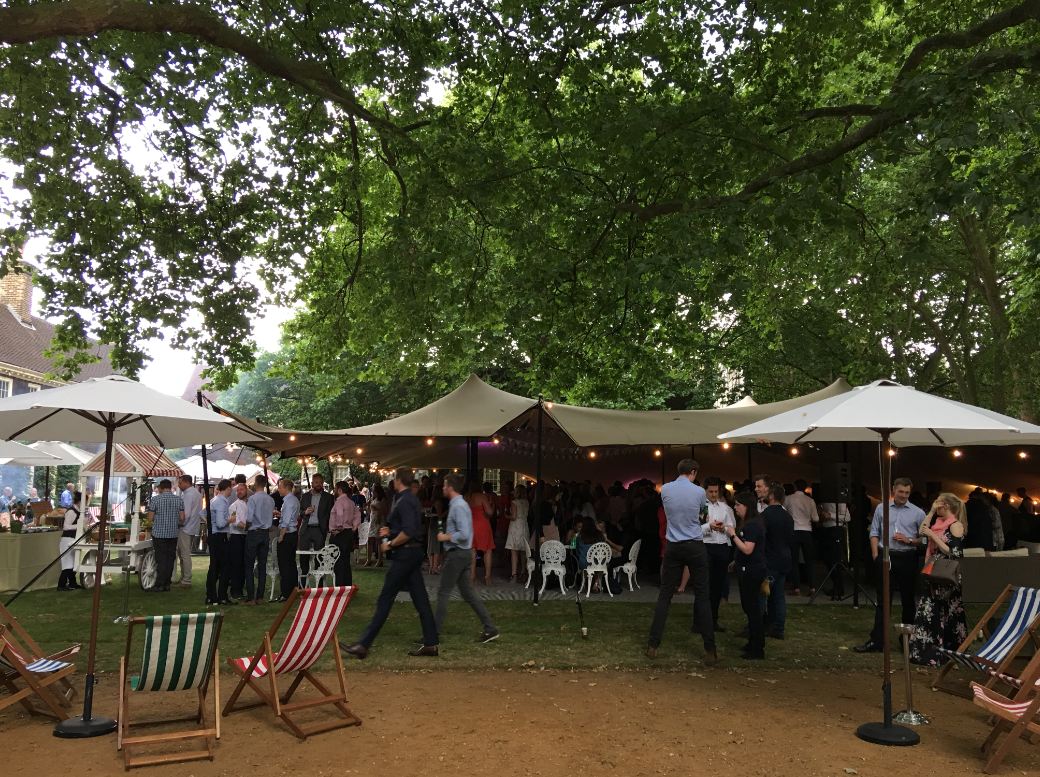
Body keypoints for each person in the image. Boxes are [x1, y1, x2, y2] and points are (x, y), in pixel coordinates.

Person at [342, 467, 439, 658]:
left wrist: (391, 543)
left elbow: (409, 531)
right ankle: (431, 643)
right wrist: (390, 532)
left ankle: (363, 644)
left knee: (385, 598)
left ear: (398, 480)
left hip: (405, 555)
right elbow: (406, 527)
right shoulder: (406, 499)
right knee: (421, 600)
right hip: (411, 554)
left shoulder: (405, 500)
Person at [646, 459, 717, 665]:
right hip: (695, 544)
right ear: (693, 472)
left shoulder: (666, 489)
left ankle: (653, 645)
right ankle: (710, 649)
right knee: (703, 596)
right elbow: (703, 515)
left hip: (673, 545)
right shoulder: (699, 492)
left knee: (664, 596)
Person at [854, 477, 926, 653]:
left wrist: (909, 540)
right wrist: (875, 554)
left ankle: (907, 642)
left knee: (908, 600)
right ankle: (878, 640)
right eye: (900, 492)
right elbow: (874, 531)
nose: (903, 496)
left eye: (907, 493)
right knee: (883, 600)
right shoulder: (881, 507)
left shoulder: (918, 513)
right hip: (885, 556)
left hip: (907, 557)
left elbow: (924, 539)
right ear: (893, 490)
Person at [434, 474, 499, 642]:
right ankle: (490, 628)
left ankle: (433, 634)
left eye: (444, 485)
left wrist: (445, 537)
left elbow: (464, 534)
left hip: (457, 553)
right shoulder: (458, 504)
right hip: (461, 553)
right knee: (468, 594)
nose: (442, 488)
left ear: (450, 487)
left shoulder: (459, 506)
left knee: (443, 592)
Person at [908, 493, 968, 666]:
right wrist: (932, 511)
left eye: (938, 505)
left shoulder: (955, 525)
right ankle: (928, 652)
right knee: (929, 611)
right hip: (934, 573)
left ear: (946, 506)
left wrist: (934, 537)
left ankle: (945, 652)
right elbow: (921, 531)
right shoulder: (938, 523)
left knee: (944, 612)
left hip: (946, 576)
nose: (936, 508)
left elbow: (955, 552)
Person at [726, 492, 766, 659]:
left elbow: (748, 549)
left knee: (752, 609)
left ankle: (757, 647)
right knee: (750, 608)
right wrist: (737, 561)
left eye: (738, 505)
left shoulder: (752, 525)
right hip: (749, 569)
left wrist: (732, 534)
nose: (735, 508)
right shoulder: (752, 523)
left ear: (746, 506)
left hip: (751, 571)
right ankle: (753, 642)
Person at [761, 483, 794, 639]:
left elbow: (762, 538)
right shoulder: (787, 516)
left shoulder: (766, 515)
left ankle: (761, 624)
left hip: (770, 561)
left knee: (763, 594)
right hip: (784, 560)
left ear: (772, 496)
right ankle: (778, 627)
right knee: (778, 596)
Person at [702, 477, 736, 631]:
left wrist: (723, 528)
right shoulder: (701, 507)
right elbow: (696, 529)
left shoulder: (725, 507)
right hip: (706, 547)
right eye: (711, 491)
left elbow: (732, 528)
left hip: (722, 547)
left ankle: (713, 620)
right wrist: (709, 526)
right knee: (704, 585)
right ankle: (700, 622)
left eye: (716, 491)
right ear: (705, 491)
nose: (714, 494)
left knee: (717, 586)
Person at [146, 479, 184, 593]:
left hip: (159, 534)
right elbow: (182, 518)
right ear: (170, 487)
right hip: (173, 534)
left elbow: (150, 518)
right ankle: (167, 583)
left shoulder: (155, 499)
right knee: (170, 558)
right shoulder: (179, 500)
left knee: (161, 559)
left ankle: (159, 584)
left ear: (161, 488)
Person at [243, 475, 275, 605]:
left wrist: (246, 527)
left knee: (249, 565)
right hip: (265, 533)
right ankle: (260, 596)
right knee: (262, 565)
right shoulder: (270, 499)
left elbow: (249, 518)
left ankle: (251, 597)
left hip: (254, 532)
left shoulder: (252, 499)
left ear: (256, 484)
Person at [785, 479, 819, 595]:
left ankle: (796, 588)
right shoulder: (810, 500)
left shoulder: (788, 498)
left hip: (794, 530)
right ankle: (812, 587)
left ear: (794, 486)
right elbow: (816, 519)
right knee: (809, 560)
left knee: (794, 561)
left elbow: (784, 512)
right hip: (807, 531)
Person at [298, 474, 333, 579]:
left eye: (321, 482)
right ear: (312, 483)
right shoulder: (305, 496)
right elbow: (299, 512)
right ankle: (303, 581)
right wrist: (305, 512)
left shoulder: (328, 497)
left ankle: (319, 581)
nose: (319, 485)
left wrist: (327, 528)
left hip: (319, 529)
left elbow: (331, 514)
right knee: (303, 555)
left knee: (320, 556)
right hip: (306, 529)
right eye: (316, 482)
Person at [205, 479, 233, 606]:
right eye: (230, 488)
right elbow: (222, 523)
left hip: (213, 535)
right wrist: (230, 519)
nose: (231, 491)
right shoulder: (222, 502)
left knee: (214, 566)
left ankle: (211, 596)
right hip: (220, 537)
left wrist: (210, 524)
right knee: (224, 567)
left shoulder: (213, 500)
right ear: (227, 488)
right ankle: (221, 596)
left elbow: (203, 513)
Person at [329, 480, 361, 586]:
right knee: (346, 561)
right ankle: (347, 585)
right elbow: (358, 515)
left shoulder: (339, 501)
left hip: (340, 533)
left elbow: (339, 514)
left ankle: (340, 585)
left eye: (335, 489)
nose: (334, 491)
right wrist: (354, 527)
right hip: (348, 533)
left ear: (339, 490)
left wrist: (338, 527)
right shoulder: (351, 502)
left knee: (339, 561)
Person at [274, 478, 300, 600]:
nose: (278, 489)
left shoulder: (289, 501)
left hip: (288, 535)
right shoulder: (294, 500)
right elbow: (290, 517)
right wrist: (280, 514)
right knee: (291, 563)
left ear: (286, 488)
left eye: (280, 487)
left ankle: (286, 593)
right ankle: (294, 589)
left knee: (284, 564)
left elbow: (286, 522)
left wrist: (281, 536)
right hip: (293, 534)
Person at [176, 475, 202, 587]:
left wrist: (180, 523)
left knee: (184, 554)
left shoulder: (188, 494)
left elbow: (185, 514)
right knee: (184, 554)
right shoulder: (196, 493)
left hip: (185, 528)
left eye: (180, 483)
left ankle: (186, 579)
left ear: (187, 482)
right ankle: (184, 578)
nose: (179, 485)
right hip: (192, 527)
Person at [468, 483, 496, 584]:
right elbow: (490, 512)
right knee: (487, 550)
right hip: (483, 525)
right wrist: (492, 504)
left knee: (472, 550)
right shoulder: (482, 496)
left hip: (471, 525)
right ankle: (487, 577)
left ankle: (472, 576)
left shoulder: (467, 497)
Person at [57, 491, 84, 591]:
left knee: (72, 563)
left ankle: (72, 583)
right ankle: (61, 585)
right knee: (67, 564)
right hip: (67, 540)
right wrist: (79, 526)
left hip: (73, 539)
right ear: (79, 501)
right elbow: (66, 526)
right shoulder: (71, 511)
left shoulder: (78, 511)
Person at [227, 482, 249, 600]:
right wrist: (249, 527)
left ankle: (240, 588)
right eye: (238, 490)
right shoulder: (233, 506)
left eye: (242, 490)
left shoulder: (248, 504)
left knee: (243, 564)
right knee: (236, 565)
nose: (239, 492)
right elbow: (235, 522)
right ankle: (235, 591)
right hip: (236, 537)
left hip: (245, 537)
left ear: (246, 491)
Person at [506, 483, 531, 582]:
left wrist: (506, 516)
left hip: (516, 526)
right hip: (524, 525)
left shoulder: (514, 502)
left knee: (514, 551)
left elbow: (514, 516)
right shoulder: (526, 502)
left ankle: (514, 574)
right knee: (523, 551)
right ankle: (523, 572)